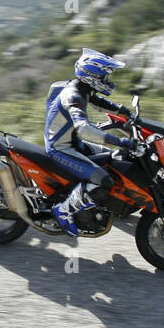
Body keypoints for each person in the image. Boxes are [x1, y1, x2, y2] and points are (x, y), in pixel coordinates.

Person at [43, 48, 138, 235]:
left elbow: (98, 102)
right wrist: (119, 141)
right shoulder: (74, 96)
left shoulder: (82, 89)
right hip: (61, 148)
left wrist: (124, 112)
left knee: (114, 159)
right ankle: (63, 211)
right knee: (103, 181)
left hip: (72, 142)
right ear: (92, 76)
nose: (107, 82)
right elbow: (84, 130)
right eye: (104, 78)